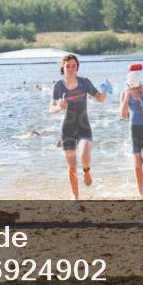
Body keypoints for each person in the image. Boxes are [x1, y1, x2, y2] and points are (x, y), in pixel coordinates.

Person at [50, 54, 106, 199]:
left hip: (83, 125)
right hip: (67, 128)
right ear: (63, 67)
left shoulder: (84, 83)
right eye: (67, 66)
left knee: (85, 154)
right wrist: (59, 107)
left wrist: (106, 91)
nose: (70, 69)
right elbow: (51, 108)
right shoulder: (58, 86)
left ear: (77, 68)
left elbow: (99, 98)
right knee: (72, 166)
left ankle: (86, 170)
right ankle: (76, 196)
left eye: (73, 66)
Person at [119, 69, 143, 195]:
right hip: (134, 131)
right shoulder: (125, 93)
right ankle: (141, 193)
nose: (136, 90)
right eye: (133, 88)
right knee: (137, 165)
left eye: (137, 88)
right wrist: (127, 97)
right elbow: (124, 115)